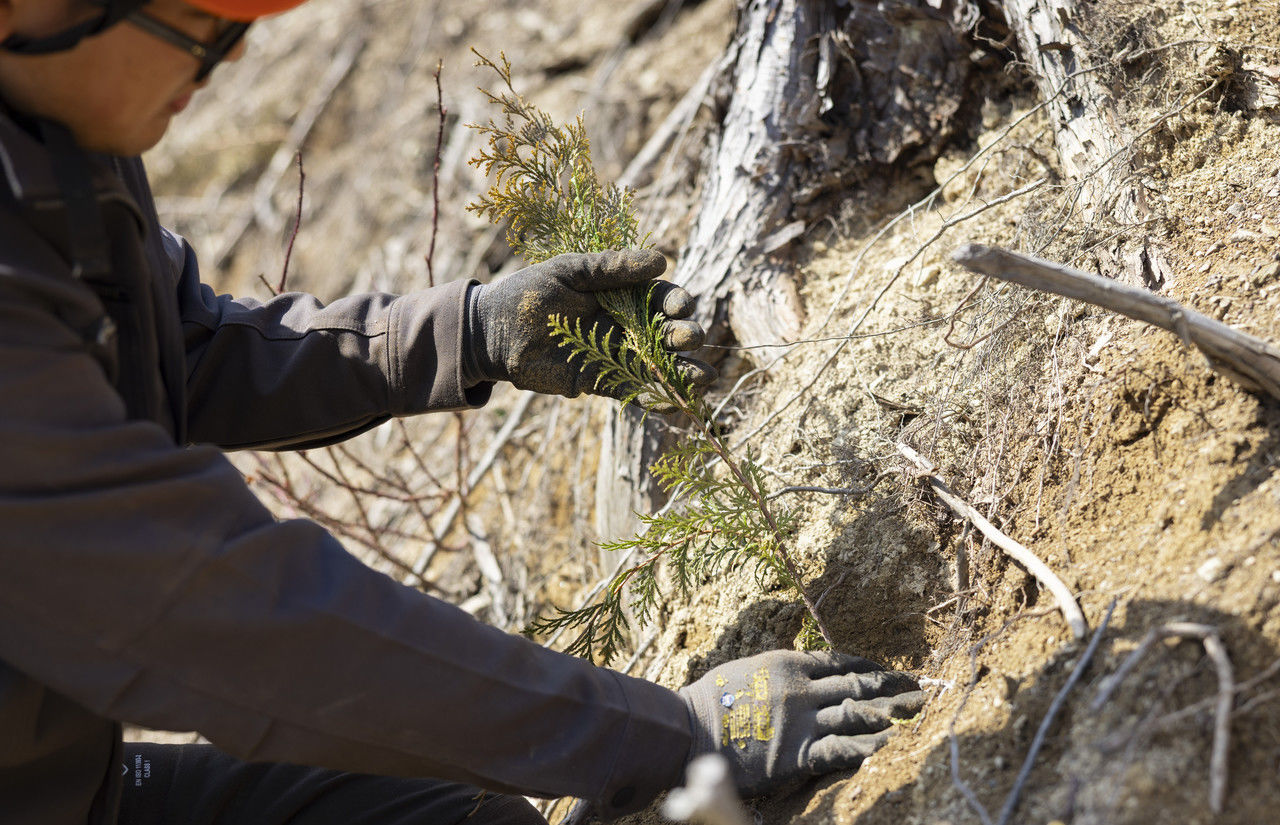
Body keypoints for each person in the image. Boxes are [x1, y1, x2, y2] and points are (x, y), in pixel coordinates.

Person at [0, 1, 925, 824]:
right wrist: (671, 735)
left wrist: (468, 332)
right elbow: (225, 617)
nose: (230, 55)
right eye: (202, 23)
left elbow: (183, 349)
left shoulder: (56, 144)